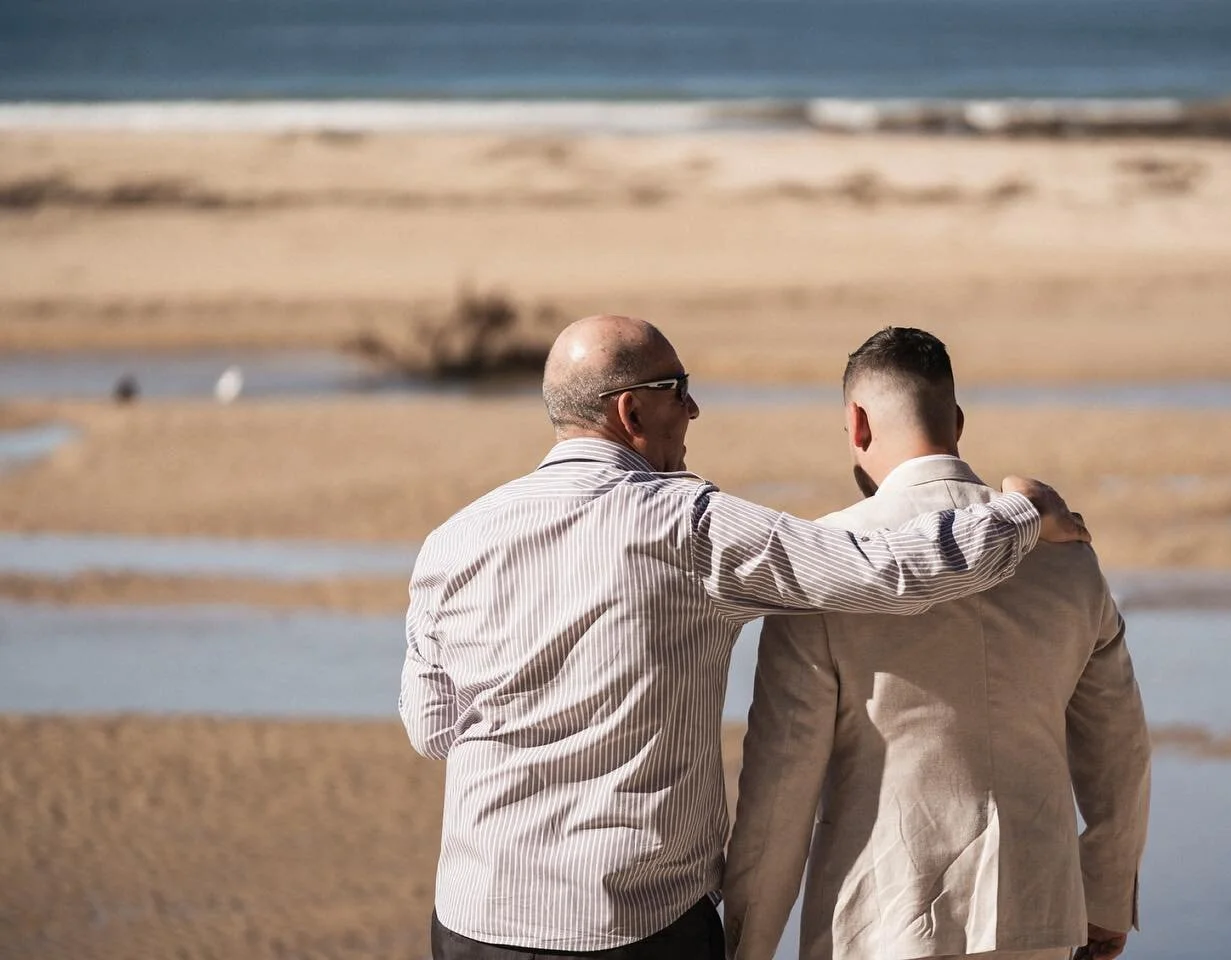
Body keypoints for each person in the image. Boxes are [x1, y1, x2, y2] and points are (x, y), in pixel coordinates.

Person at [401, 315, 1089, 960]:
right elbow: (887, 571)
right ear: (632, 412)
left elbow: (431, 729)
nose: (695, 411)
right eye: (681, 391)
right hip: (635, 921)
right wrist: (1024, 513)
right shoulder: (689, 528)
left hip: (473, 916)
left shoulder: (451, 542)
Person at [724, 327, 1151, 960]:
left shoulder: (824, 562)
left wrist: (746, 947)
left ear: (857, 423)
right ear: (955, 420)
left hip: (882, 925)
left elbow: (780, 793)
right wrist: (1108, 898)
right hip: (1041, 920)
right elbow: (1120, 749)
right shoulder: (1066, 556)